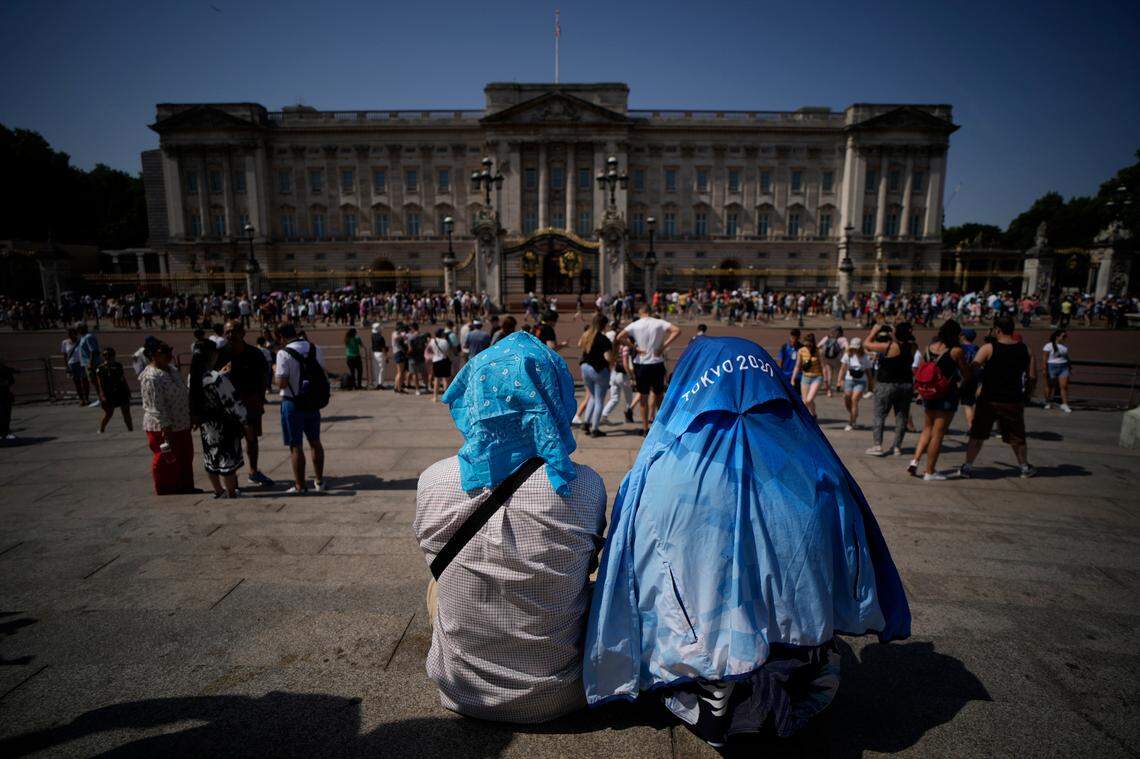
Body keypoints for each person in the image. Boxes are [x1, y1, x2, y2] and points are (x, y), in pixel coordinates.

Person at [583, 336, 910, 748]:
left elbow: (634, 566)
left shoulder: (660, 466)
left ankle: (712, 677)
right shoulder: (817, 462)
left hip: (696, 634)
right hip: (800, 633)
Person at [413, 331, 607, 723]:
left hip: (461, 693)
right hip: (560, 695)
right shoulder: (583, 485)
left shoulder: (433, 480)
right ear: (555, 397)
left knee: (438, 583)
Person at [960, 317, 1037, 479]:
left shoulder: (989, 348)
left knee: (977, 434)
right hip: (1013, 399)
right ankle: (1024, 467)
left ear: (998, 330)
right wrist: (1027, 395)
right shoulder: (1026, 349)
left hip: (988, 398)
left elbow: (973, 369)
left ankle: (967, 467)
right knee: (1017, 436)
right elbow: (1032, 376)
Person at [908, 320, 971, 481]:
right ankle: (930, 471)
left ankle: (915, 460)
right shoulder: (956, 351)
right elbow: (966, 373)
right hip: (946, 394)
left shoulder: (929, 348)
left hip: (929, 392)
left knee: (927, 428)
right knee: (938, 434)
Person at [189, 340, 248, 499]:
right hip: (224, 423)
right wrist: (244, 420)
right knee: (227, 459)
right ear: (213, 355)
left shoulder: (193, 377)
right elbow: (232, 401)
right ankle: (230, 492)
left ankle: (218, 490)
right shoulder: (216, 378)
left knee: (210, 457)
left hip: (207, 424)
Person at [275, 323, 327, 494]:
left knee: (295, 445)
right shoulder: (315, 348)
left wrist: (276, 370)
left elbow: (281, 383)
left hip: (292, 402)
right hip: (312, 401)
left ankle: (300, 485)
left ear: (281, 337)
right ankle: (319, 481)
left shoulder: (283, 353)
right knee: (315, 442)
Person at [615, 304, 681, 436]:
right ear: (650, 312)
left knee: (643, 398)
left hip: (642, 363)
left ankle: (645, 428)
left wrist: (635, 347)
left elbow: (619, 337)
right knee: (659, 396)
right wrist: (663, 346)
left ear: (640, 312)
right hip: (657, 362)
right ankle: (661, 426)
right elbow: (677, 330)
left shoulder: (635, 325)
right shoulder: (659, 322)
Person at [221, 321, 273, 487]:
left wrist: (259, 397)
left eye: (234, 331)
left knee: (252, 439)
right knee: (231, 441)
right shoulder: (221, 354)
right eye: (227, 332)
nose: (230, 335)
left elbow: (264, 376)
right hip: (228, 404)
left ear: (243, 333)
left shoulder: (254, 353)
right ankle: (232, 475)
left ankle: (253, 471)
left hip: (250, 401)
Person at [139, 341, 195, 495]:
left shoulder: (172, 370)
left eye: (169, 350)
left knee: (185, 455)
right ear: (153, 355)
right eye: (164, 352)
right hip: (163, 426)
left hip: (181, 421)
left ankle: (185, 485)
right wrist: (165, 426)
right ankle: (167, 487)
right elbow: (155, 405)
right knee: (165, 457)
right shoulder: (151, 376)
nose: (169, 355)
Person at [863, 321, 916, 457]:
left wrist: (874, 330)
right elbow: (902, 342)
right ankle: (897, 447)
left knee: (880, 415)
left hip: (886, 384)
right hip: (905, 385)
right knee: (901, 416)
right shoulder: (912, 347)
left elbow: (866, 344)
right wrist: (894, 332)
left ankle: (877, 445)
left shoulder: (889, 346)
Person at [578, 312, 613, 437]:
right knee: (599, 400)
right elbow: (608, 357)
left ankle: (586, 422)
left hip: (585, 367)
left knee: (592, 396)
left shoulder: (586, 334)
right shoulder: (604, 339)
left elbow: (579, 345)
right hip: (598, 369)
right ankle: (595, 429)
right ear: (604, 325)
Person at [94, 348, 133, 433]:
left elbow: (123, 379)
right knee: (109, 413)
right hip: (109, 393)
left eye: (110, 354)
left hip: (121, 391)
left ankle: (130, 429)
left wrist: (128, 390)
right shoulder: (100, 368)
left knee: (126, 412)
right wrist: (102, 395)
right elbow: (99, 383)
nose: (108, 357)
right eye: (105, 355)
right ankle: (101, 429)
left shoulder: (118, 365)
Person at [840, 337, 871, 431]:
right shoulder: (847, 355)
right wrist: (839, 380)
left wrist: (871, 385)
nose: (855, 349)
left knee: (854, 400)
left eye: (856, 348)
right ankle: (854, 414)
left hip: (861, 381)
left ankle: (851, 422)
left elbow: (869, 372)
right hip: (849, 379)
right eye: (853, 347)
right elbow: (843, 368)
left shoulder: (865, 357)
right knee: (847, 399)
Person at [791, 332, 824, 418]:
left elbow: (823, 366)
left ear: (813, 343)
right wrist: (793, 378)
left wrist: (827, 381)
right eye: (806, 344)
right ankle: (812, 415)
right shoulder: (801, 351)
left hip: (817, 377)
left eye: (809, 344)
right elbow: (797, 366)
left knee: (809, 400)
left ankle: (812, 415)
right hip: (805, 377)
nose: (808, 346)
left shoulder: (818, 351)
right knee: (804, 401)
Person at [1042, 329, 1072, 413]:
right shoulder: (1048, 346)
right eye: (1063, 336)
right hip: (1051, 366)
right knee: (1050, 386)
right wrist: (1045, 369)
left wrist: (1070, 366)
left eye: (1065, 336)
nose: (1065, 338)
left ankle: (1065, 404)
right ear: (1057, 337)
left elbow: (1066, 358)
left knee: (1064, 386)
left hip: (1063, 367)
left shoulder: (1064, 347)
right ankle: (1048, 402)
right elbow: (1045, 358)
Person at [76, 323, 103, 408]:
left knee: (96, 382)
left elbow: (93, 351)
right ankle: (101, 398)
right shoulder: (83, 337)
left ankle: (102, 399)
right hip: (87, 363)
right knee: (94, 382)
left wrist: (90, 363)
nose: (77, 331)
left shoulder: (88, 337)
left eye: (78, 329)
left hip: (92, 364)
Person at [60, 327, 89, 405]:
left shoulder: (81, 341)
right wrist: (67, 366)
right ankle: (81, 399)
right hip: (72, 364)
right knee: (77, 382)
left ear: (75, 334)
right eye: (69, 333)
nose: (70, 335)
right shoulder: (64, 342)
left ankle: (87, 398)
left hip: (82, 363)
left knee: (85, 381)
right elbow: (65, 356)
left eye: (71, 333)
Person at [958, 328, 981, 429]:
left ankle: (972, 426)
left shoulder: (959, 348)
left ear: (963, 336)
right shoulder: (977, 348)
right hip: (974, 377)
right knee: (973, 402)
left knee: (967, 404)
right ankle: (975, 423)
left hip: (961, 378)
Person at [821, 325, 847, 397]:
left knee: (829, 375)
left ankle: (829, 392)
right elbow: (847, 348)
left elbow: (818, 346)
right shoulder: (842, 339)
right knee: (841, 374)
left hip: (827, 359)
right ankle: (843, 390)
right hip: (837, 359)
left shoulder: (827, 338)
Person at [427, 327, 453, 402]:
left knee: (436, 379)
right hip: (444, 360)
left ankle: (435, 397)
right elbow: (447, 352)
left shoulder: (432, 341)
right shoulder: (445, 341)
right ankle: (446, 397)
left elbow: (429, 349)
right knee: (445, 379)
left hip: (436, 361)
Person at [407, 323, 429, 396]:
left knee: (415, 374)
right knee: (424, 373)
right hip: (421, 357)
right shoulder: (423, 336)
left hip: (413, 358)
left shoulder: (411, 337)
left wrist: (407, 353)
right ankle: (426, 387)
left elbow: (410, 349)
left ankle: (417, 390)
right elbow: (426, 346)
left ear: (413, 328)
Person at [777, 328, 801, 392]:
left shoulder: (801, 348)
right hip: (785, 375)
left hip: (797, 376)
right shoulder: (784, 347)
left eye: (795, 337)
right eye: (792, 336)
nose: (793, 339)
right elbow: (780, 361)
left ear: (798, 337)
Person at [0, 356, 15, 441]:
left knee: (6, 415)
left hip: (5, 395)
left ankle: (5, 432)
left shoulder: (5, 370)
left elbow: (11, 381)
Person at [370, 322, 388, 389]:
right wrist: (386, 356)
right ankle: (380, 384)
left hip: (374, 353)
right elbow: (383, 348)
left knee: (376, 369)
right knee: (381, 369)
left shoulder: (372, 336)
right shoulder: (381, 338)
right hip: (380, 353)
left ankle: (377, 383)